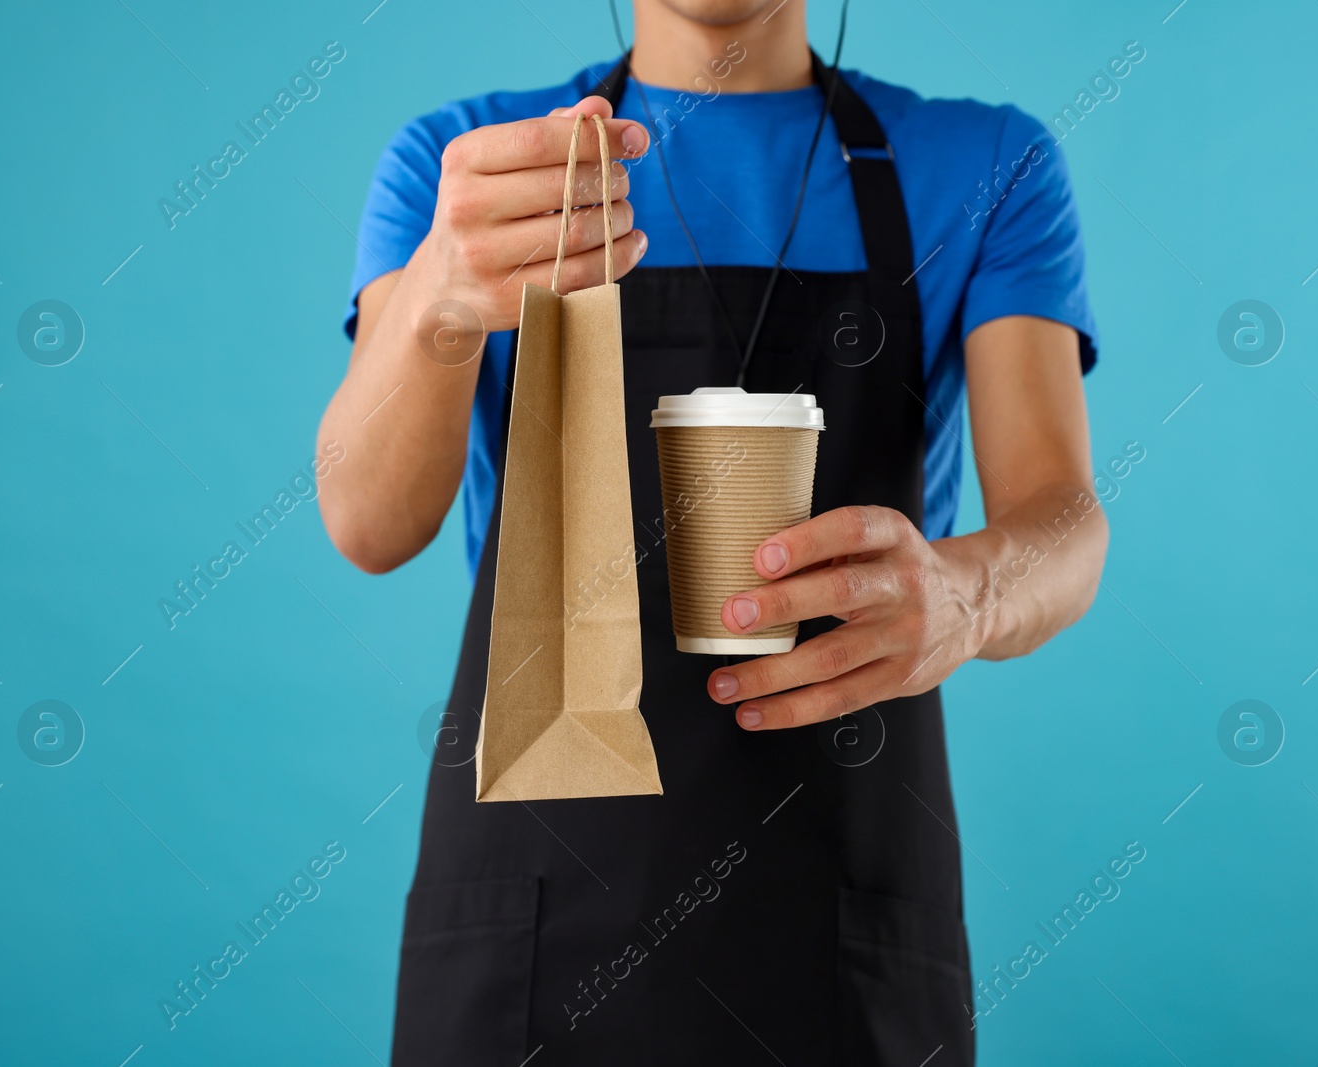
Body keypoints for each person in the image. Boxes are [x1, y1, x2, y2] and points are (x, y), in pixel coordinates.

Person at [317, 0, 1107, 1062]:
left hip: (836, 903)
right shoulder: (472, 172)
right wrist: (434, 305)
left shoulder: (986, 164)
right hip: (537, 910)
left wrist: (968, 594)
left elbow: (1059, 516)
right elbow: (367, 521)